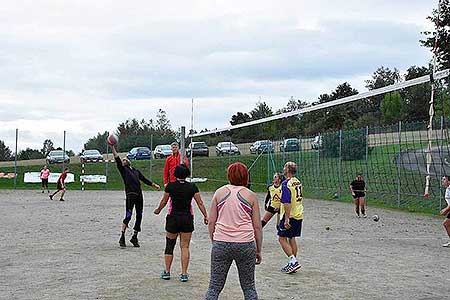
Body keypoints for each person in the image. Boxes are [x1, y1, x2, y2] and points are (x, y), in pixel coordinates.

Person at [205, 162, 262, 300]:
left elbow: (211, 221)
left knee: (214, 287)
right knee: (249, 287)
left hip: (221, 242)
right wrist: (258, 250)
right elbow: (257, 227)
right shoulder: (251, 195)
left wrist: (215, 240)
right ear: (246, 177)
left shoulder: (219, 193)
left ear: (229, 175)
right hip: (245, 243)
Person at [154, 164, 208, 282]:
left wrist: (158, 210)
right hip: (187, 218)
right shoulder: (192, 186)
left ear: (175, 174)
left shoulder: (170, 186)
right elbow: (200, 203)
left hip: (173, 218)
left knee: (169, 245)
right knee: (185, 246)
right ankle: (184, 273)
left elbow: (164, 201)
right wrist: (205, 215)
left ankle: (167, 272)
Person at [110, 144, 160, 248]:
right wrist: (112, 148)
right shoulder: (123, 170)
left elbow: (144, 179)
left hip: (139, 195)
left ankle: (134, 237)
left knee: (139, 215)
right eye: (123, 160)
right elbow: (116, 158)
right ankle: (122, 236)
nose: (124, 160)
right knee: (128, 216)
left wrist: (154, 185)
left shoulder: (136, 171)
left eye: (125, 159)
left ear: (129, 161)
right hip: (130, 195)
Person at [277, 162, 303, 274]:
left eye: (285, 167)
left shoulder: (286, 183)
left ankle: (293, 261)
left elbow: (287, 202)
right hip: (299, 213)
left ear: (287, 170)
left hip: (290, 215)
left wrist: (286, 218)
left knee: (281, 238)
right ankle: (293, 263)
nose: (283, 168)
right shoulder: (298, 181)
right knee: (291, 238)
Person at [440, 175, 450, 247]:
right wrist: (446, 208)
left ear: (449, 181)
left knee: (446, 223)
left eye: (444, 179)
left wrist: (446, 210)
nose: (442, 181)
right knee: (446, 224)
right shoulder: (448, 189)